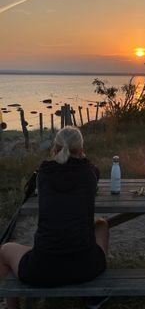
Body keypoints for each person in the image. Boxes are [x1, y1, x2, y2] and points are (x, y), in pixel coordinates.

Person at [0, 126, 109, 309]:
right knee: (102, 225)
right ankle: (93, 298)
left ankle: (12, 306)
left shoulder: (43, 174)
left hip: (42, 269)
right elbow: (91, 170)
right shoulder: (90, 173)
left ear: (55, 150)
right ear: (82, 150)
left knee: (4, 250)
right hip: (87, 268)